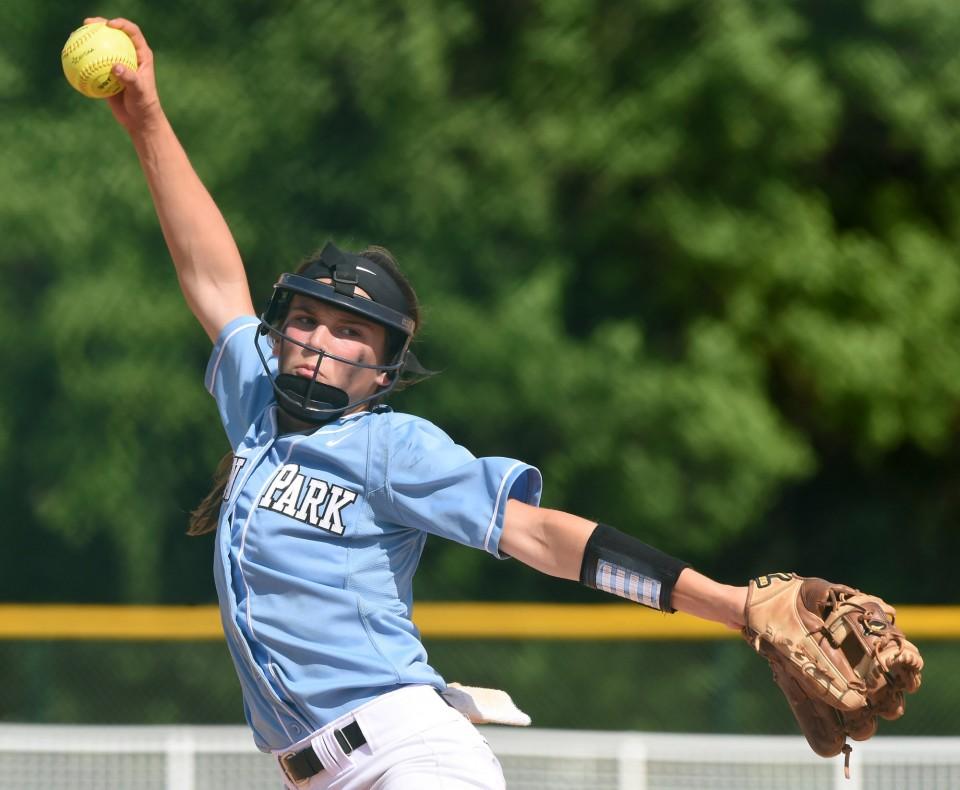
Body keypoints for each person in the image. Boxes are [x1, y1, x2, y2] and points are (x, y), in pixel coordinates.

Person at [93, 17, 749, 789]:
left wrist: (729, 605)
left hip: (407, 756)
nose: (319, 339)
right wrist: (148, 121)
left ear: (382, 373)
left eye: (350, 332)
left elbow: (539, 535)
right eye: (306, 318)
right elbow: (210, 277)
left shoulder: (391, 445)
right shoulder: (255, 406)